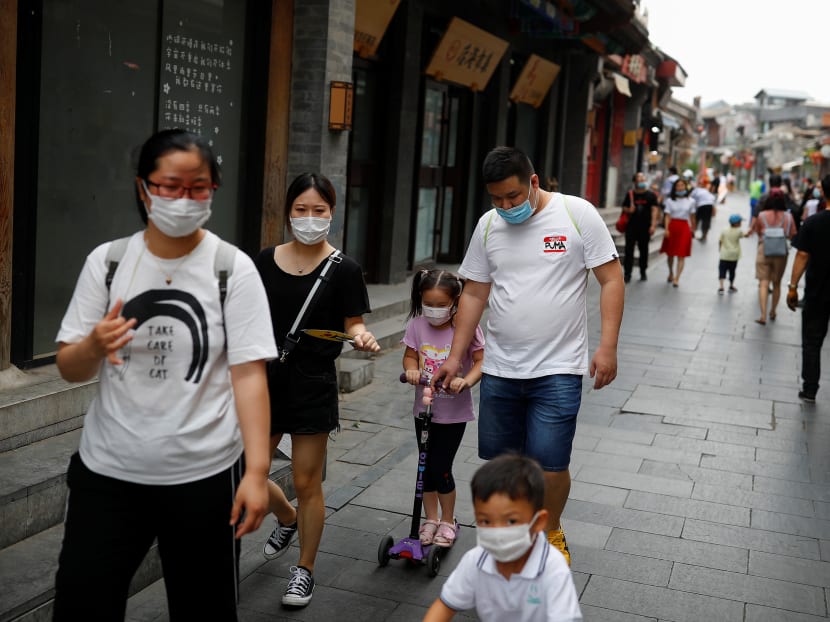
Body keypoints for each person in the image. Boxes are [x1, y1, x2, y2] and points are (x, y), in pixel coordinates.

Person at [52, 129, 277, 621]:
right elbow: (70, 366)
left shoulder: (231, 269)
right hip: (108, 473)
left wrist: (257, 472)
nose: (183, 198)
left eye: (198, 187)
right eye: (170, 185)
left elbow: (249, 375)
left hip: (205, 476)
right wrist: (93, 344)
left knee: (204, 609)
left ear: (213, 189)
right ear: (143, 188)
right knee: (81, 604)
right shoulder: (108, 262)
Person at [431, 146, 624, 566]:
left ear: (534, 182)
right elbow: (476, 292)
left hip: (558, 368)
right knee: (502, 465)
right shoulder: (487, 226)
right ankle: (511, 535)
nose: (505, 207)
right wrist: (455, 356)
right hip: (501, 369)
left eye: (514, 197)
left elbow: (611, 278)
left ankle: (549, 529)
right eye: (497, 199)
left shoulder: (577, 215)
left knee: (551, 465)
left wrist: (607, 346)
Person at [254, 172, 380, 608]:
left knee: (307, 481)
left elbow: (354, 323)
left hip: (312, 382)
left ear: (332, 212)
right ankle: (285, 516)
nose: (309, 218)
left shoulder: (345, 268)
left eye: (319, 211)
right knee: (244, 471)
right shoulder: (264, 261)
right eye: (301, 210)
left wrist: (362, 336)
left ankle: (304, 570)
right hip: (263, 382)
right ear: (288, 212)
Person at [422, 454, 583, 622]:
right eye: (486, 521)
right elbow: (445, 606)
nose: (497, 531)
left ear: (538, 522)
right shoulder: (477, 560)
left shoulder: (552, 567)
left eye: (511, 521)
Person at [402, 269, 484, 547]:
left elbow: (481, 361)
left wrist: (466, 381)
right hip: (423, 410)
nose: (434, 311)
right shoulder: (416, 325)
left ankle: (448, 521)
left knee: (440, 466)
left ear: (455, 302)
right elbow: (410, 357)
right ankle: (431, 519)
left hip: (453, 414)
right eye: (429, 304)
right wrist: (412, 371)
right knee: (425, 467)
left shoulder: (465, 326)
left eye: (441, 306)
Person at [786, 175, 830, 403]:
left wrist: (792, 287)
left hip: (817, 293)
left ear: (823, 193)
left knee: (812, 342)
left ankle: (810, 388)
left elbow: (802, 255)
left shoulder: (813, 223)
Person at [746, 191, 797, 325]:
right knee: (777, 283)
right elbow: (793, 234)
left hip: (764, 250)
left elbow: (757, 230)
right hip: (781, 252)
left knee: (763, 282)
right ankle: (773, 311)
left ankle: (763, 315)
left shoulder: (762, 215)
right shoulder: (788, 216)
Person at [620, 172, 661, 282]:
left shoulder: (651, 195)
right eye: (639, 179)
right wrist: (629, 210)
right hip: (631, 227)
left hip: (645, 227)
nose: (642, 181)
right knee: (629, 250)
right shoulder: (630, 194)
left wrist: (653, 225)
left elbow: (654, 210)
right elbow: (624, 207)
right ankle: (627, 273)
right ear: (635, 182)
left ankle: (643, 271)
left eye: (643, 179)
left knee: (644, 250)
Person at [659, 177, 697, 287]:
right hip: (672, 226)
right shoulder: (670, 201)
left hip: (684, 227)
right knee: (670, 254)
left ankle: (677, 277)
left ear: (686, 187)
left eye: (682, 185)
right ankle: (671, 272)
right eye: (678, 186)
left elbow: (692, 216)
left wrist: (693, 229)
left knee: (681, 255)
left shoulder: (691, 201)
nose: (680, 188)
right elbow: (667, 216)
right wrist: (666, 229)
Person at [718, 214, 744, 294]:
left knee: (722, 270)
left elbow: (720, 240)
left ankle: (721, 287)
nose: (741, 223)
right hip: (734, 256)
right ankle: (731, 285)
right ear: (736, 223)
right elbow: (744, 235)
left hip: (724, 255)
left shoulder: (724, 230)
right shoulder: (739, 231)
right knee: (732, 271)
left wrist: (720, 248)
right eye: (740, 222)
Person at [689, 175, 716, 242]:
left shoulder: (696, 190)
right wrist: (713, 210)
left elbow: (690, 198)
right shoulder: (706, 190)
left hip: (701, 205)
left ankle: (693, 233)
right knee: (706, 221)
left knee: (696, 219)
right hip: (709, 205)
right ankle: (704, 236)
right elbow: (712, 200)